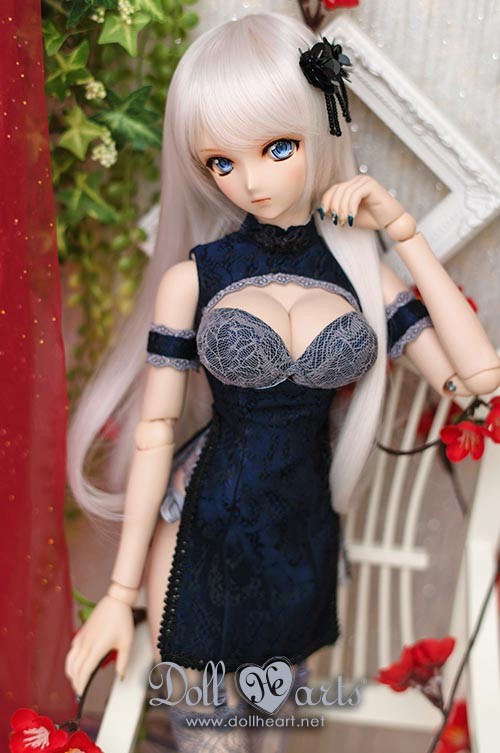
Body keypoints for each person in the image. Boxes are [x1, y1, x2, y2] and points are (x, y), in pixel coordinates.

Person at [64, 11, 500, 752]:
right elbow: (155, 433)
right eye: (221, 162)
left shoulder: (361, 274)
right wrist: (118, 594)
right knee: (210, 737)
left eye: (277, 148)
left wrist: (403, 233)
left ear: (320, 132)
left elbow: (477, 382)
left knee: (275, 727)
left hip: (300, 539)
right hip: (199, 533)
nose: (252, 181)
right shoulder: (195, 279)